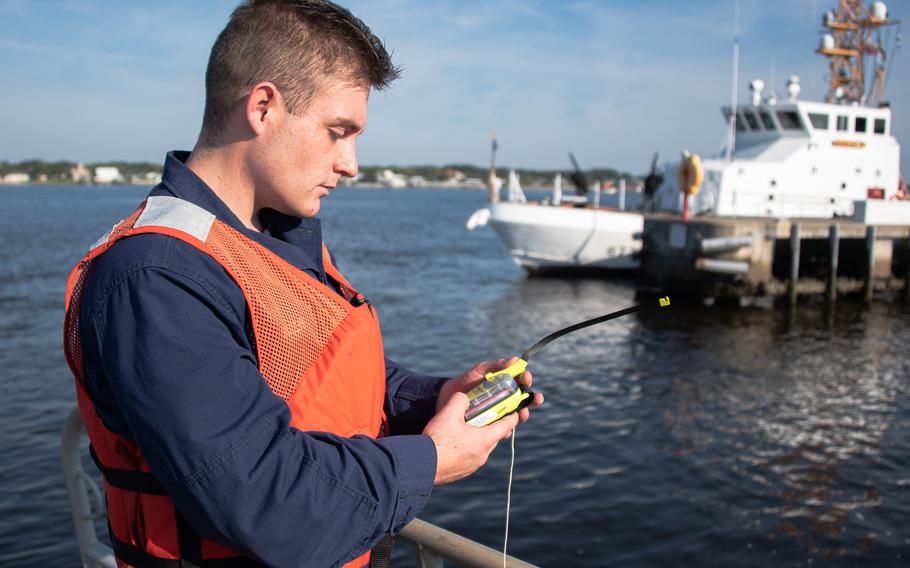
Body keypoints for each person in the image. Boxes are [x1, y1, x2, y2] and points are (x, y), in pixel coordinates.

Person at [63, 1, 542, 567]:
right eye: (338, 132)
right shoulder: (157, 278)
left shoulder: (264, 238)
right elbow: (267, 500)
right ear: (263, 107)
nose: (351, 164)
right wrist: (431, 460)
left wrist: (434, 398)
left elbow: (308, 373)